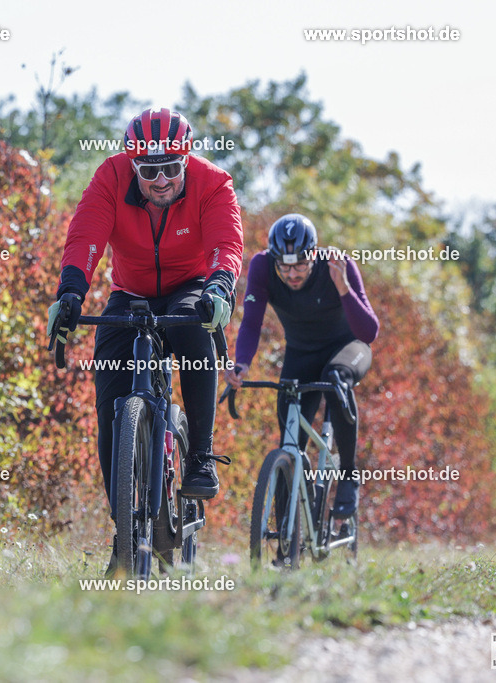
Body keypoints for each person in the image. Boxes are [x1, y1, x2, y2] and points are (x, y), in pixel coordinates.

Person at [47, 108, 244, 563]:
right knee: (109, 395)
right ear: (132, 164)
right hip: (131, 292)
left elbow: (226, 244)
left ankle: (200, 456)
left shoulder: (212, 183)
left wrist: (220, 287)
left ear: (186, 162)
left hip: (190, 286)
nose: (161, 180)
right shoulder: (111, 177)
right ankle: (124, 528)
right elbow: (85, 236)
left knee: (195, 325)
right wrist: (71, 292)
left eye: (171, 169)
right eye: (149, 170)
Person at [225, 214, 378, 518]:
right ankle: (286, 538)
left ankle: (348, 476)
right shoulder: (262, 266)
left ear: (314, 255)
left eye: (300, 265)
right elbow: (252, 322)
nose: (292, 274)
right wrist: (241, 363)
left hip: (348, 348)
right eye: (285, 266)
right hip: (302, 354)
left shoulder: (337, 264)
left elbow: (369, 332)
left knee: (336, 379)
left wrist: (343, 288)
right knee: (289, 444)